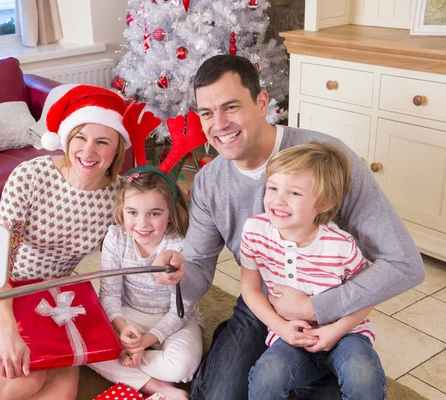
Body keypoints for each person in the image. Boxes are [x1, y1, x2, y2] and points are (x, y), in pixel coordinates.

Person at [156, 54, 424, 399]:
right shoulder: (209, 182)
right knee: (220, 394)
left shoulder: (327, 157)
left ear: (262, 102)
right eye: (207, 113)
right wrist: (177, 274)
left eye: (231, 107)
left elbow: (405, 265)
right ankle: (238, 340)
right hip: (265, 304)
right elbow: (196, 278)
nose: (218, 123)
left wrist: (318, 308)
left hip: (334, 307)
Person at [0, 85, 185, 400]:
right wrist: (9, 333)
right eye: (81, 137)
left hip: (56, 300)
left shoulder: (119, 196)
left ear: (117, 149)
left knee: (61, 393)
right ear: (67, 138)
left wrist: (174, 254)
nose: (88, 151)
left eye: (102, 142)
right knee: (25, 378)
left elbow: (155, 229)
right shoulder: (30, 176)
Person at [241, 142, 385, 399]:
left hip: (345, 334)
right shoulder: (254, 231)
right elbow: (250, 289)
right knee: (267, 375)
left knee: (363, 374)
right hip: (290, 333)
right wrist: (281, 328)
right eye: (272, 187)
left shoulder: (342, 246)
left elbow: (367, 297)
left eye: (294, 193)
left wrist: (335, 330)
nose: (278, 200)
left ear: (324, 203)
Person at [89, 168, 203, 400]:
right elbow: (109, 294)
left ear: (170, 213)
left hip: (175, 320)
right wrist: (121, 328)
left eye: (154, 213)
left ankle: (130, 360)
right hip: (129, 314)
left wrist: (144, 342)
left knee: (183, 367)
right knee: (86, 346)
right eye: (132, 212)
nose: (142, 223)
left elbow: (182, 310)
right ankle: (158, 386)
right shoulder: (115, 237)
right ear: (121, 210)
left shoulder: (181, 246)